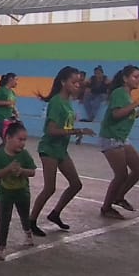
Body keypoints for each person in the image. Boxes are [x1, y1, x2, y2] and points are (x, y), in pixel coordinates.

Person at [29, 67, 94, 234]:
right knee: (49, 188)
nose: (78, 85)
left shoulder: (68, 102)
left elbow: (65, 126)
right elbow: (51, 130)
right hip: (49, 148)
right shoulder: (57, 102)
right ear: (63, 82)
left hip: (61, 149)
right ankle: (31, 221)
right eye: (74, 82)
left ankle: (55, 213)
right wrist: (78, 131)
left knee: (76, 184)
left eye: (79, 82)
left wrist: (76, 133)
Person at [98, 65, 139, 219]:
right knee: (121, 175)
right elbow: (117, 114)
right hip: (111, 137)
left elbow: (129, 115)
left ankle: (119, 197)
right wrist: (136, 104)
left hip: (121, 138)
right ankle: (106, 208)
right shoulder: (119, 93)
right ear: (125, 78)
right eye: (135, 77)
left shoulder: (127, 95)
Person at [0, 121, 38, 261]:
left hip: (22, 192)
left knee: (24, 215)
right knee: (4, 219)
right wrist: (8, 169)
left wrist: (21, 171)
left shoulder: (24, 155)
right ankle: (1, 246)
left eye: (24, 140)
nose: (22, 143)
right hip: (5, 194)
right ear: (8, 138)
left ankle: (28, 233)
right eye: (19, 139)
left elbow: (32, 172)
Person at [0, 72, 19, 138]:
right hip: (0, 120)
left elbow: (12, 104)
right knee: (7, 139)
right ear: (11, 79)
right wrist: (7, 103)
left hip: (9, 120)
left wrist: (16, 111)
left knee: (10, 139)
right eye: (16, 80)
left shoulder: (12, 92)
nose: (17, 82)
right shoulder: (0, 90)